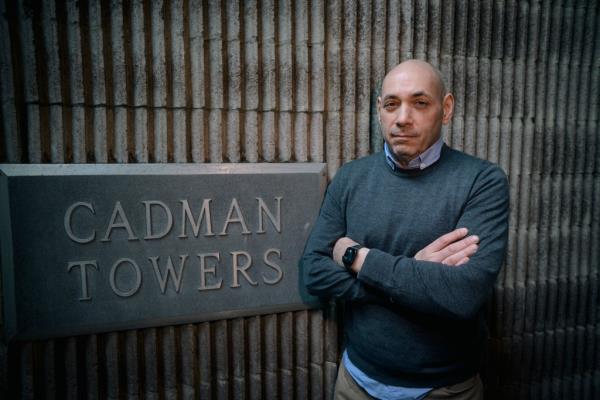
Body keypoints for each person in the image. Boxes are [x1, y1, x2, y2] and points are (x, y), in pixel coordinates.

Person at [301, 59, 509, 400]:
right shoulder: (351, 178)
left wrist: (356, 256)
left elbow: (463, 295)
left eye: (420, 103)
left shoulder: (482, 182)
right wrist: (412, 274)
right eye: (391, 104)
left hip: (445, 390)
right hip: (354, 384)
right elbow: (314, 272)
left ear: (446, 109)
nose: (402, 118)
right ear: (379, 111)